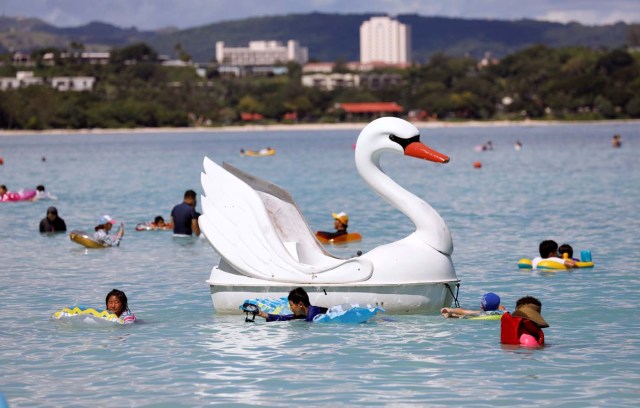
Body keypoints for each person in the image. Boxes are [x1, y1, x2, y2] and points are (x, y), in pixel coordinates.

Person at [255, 287, 328, 322]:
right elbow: (284, 317)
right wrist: (261, 314)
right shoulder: (303, 314)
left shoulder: (313, 315)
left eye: (291, 305)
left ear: (300, 304)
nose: (290, 308)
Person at [440, 292, 505, 318]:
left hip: (481, 316)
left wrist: (449, 310)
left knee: (454, 315)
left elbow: (462, 311)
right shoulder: (502, 311)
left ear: (481, 306)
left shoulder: (480, 313)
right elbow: (499, 305)